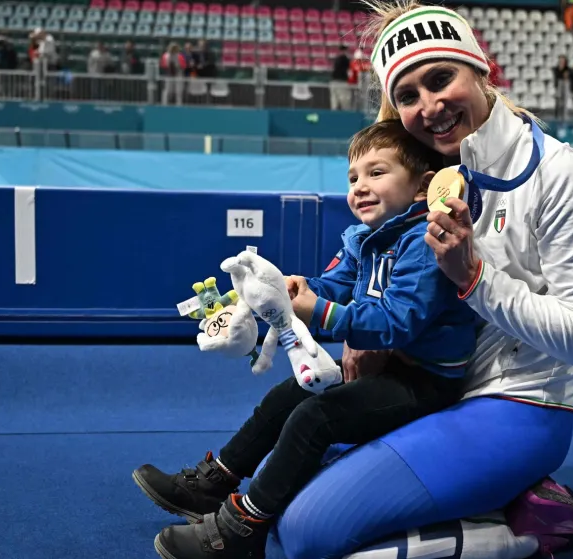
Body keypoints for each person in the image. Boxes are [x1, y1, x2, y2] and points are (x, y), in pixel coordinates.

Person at [257, 2, 573, 558]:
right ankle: (491, 494)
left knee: (307, 536)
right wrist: (346, 323)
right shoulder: (429, 165)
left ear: (480, 68)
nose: (431, 106)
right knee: (279, 495)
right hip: (430, 389)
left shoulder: (562, 175)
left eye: (441, 78)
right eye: (408, 96)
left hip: (517, 407)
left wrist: (474, 278)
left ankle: (527, 530)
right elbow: (381, 279)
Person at [137, 119, 480, 559]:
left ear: (422, 186)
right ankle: (215, 481)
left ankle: (242, 527)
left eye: (378, 173)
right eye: (353, 177)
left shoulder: (424, 244)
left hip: (426, 383)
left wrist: (316, 309)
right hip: (389, 367)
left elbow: (397, 322)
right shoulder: (365, 238)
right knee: (289, 393)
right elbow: (334, 287)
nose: (360, 186)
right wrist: (293, 289)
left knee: (316, 417)